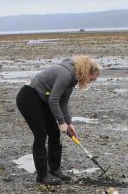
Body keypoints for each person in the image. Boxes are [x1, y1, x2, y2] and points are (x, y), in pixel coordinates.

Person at [15, 55, 101, 185]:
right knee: (41, 134)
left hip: (42, 99)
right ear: (86, 72)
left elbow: (63, 103)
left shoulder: (72, 80)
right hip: (28, 97)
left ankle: (54, 170)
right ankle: (42, 176)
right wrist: (61, 122)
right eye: (92, 77)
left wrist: (69, 123)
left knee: (54, 133)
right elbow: (53, 99)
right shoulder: (65, 74)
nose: (93, 80)